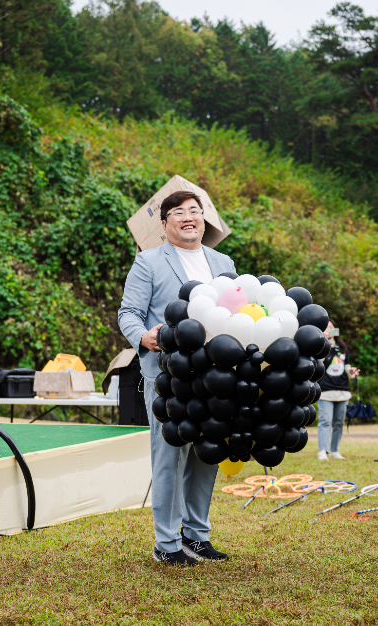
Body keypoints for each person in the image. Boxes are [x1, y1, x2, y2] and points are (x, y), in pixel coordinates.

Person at [118, 189, 236, 566]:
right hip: (168, 376)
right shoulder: (148, 262)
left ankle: (196, 536)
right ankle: (166, 543)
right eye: (179, 212)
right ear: (165, 223)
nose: (189, 217)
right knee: (170, 453)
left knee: (208, 452)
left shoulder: (223, 262)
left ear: (205, 220)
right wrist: (143, 336)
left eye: (196, 211)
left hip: (216, 375)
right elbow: (128, 313)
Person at [316, 319, 360, 460]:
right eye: (326, 327)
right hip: (325, 391)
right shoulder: (319, 348)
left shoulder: (342, 348)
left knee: (339, 422)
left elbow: (346, 366)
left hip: (342, 391)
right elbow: (318, 365)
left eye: (331, 327)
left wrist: (351, 371)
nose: (329, 329)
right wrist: (325, 344)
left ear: (335, 329)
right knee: (325, 421)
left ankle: (335, 450)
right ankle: (323, 451)